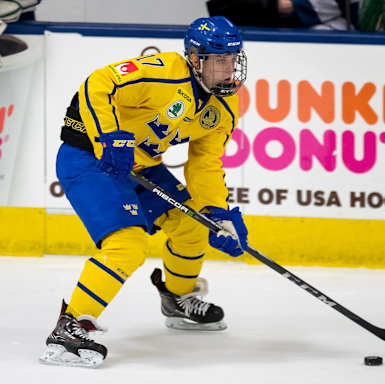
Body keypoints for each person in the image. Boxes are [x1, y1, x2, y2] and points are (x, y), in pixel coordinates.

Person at [40, 15, 249, 368]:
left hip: (140, 164)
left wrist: (218, 213)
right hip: (89, 156)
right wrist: (108, 135)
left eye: (233, 59)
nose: (229, 69)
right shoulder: (164, 71)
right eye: (220, 60)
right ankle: (70, 325)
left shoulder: (225, 105)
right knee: (128, 244)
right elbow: (98, 83)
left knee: (193, 226)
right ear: (196, 59)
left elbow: (204, 164)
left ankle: (178, 299)